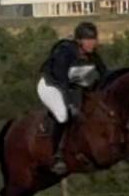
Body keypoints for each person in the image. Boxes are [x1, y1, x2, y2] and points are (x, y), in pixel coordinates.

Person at [38, 22, 108, 174]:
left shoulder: (92, 55)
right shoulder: (65, 52)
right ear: (79, 41)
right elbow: (61, 80)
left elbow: (104, 75)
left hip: (70, 87)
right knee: (63, 115)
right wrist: (70, 103)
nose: (92, 43)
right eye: (88, 40)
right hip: (51, 86)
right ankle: (56, 155)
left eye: (94, 39)